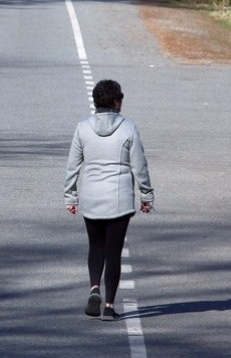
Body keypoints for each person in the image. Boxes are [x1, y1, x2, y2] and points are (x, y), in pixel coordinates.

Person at [64, 79, 154, 321]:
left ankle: (94, 288)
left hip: (91, 197)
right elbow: (140, 165)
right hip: (119, 199)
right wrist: (146, 194)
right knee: (114, 252)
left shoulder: (82, 127)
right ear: (116, 102)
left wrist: (71, 196)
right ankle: (110, 306)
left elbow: (73, 165)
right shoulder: (129, 128)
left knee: (96, 246)